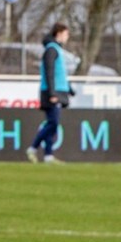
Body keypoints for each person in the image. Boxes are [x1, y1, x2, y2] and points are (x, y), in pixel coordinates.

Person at [27, 23, 75, 164]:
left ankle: (48, 156)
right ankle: (33, 147)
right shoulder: (51, 50)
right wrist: (52, 93)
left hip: (58, 91)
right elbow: (49, 72)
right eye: (66, 34)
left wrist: (69, 89)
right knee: (53, 123)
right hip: (51, 92)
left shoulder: (56, 50)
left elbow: (60, 73)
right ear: (59, 33)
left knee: (51, 123)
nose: (67, 37)